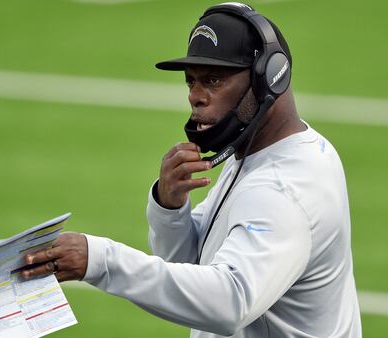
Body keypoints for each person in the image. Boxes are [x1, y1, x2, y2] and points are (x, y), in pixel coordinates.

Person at [21, 2, 362, 337]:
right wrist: (170, 209)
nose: (195, 97)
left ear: (269, 78)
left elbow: (230, 302)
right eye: (191, 82)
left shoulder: (283, 189)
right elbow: (193, 265)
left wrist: (99, 260)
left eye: (213, 80)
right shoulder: (266, 151)